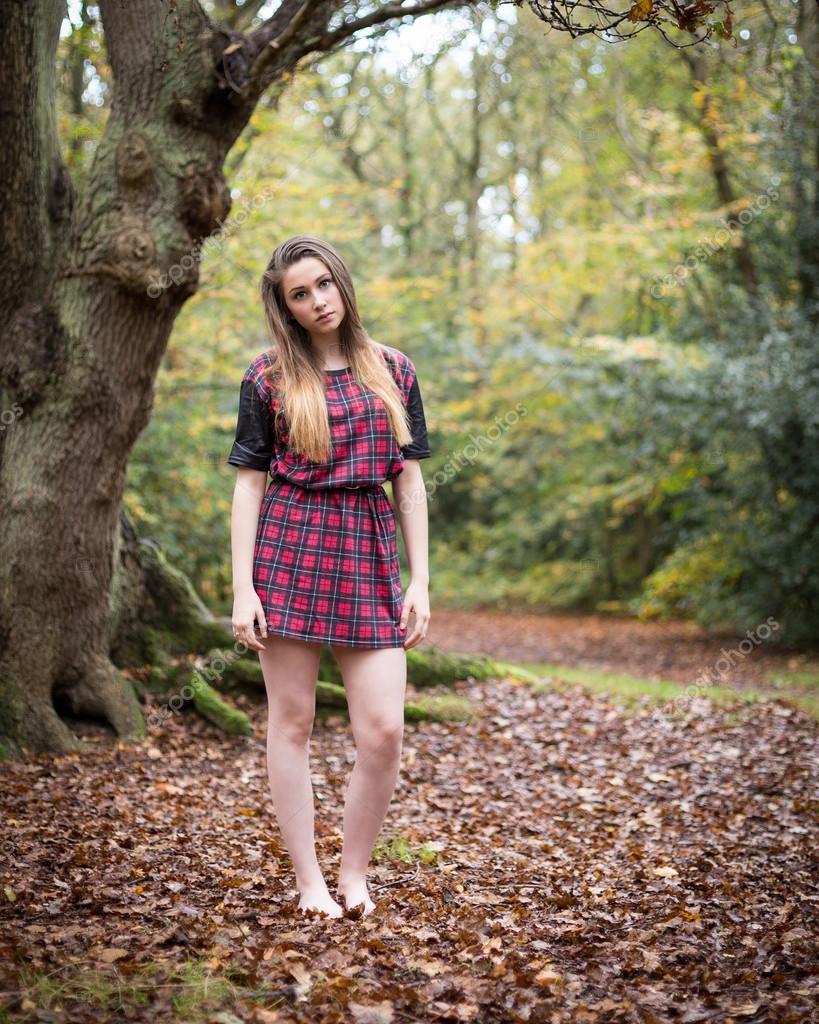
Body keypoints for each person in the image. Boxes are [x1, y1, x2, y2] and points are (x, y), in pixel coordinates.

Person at [227, 235, 432, 920]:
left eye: (323, 284)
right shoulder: (268, 378)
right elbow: (249, 487)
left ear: (341, 282)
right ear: (285, 307)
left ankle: (354, 873)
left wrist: (420, 579)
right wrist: (242, 586)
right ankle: (310, 881)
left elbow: (409, 482)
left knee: (382, 730)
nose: (317, 301)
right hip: (289, 549)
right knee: (293, 723)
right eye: (299, 294)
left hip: (368, 554)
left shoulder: (394, 371)